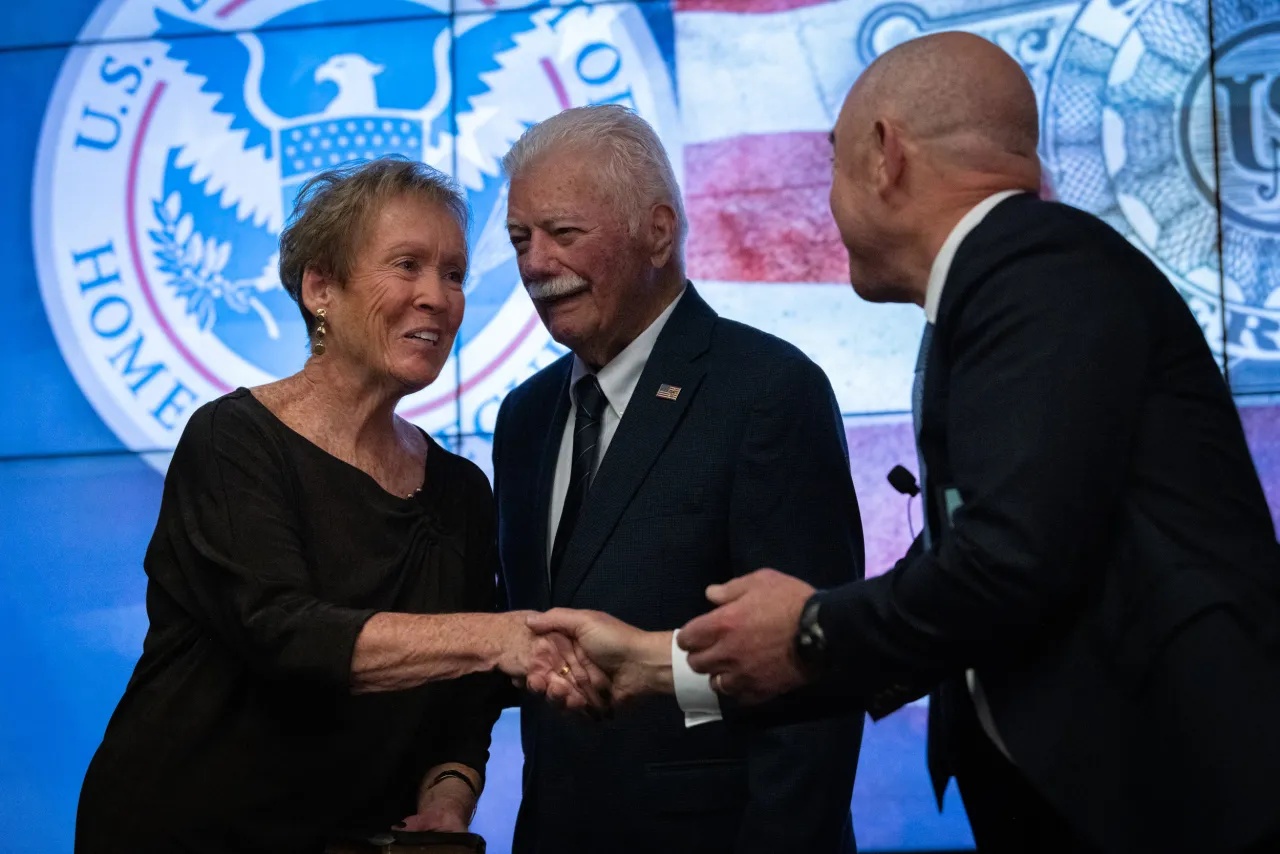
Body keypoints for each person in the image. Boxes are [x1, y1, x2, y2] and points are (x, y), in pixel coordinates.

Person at [661, 31, 1280, 854]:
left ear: (885, 156)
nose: (829, 206)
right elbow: (970, 565)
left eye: (833, 168)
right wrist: (658, 668)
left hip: (1168, 798)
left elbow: (1007, 563)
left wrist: (811, 625)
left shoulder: (1034, 269)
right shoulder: (1011, 282)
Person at [75, 158, 581, 854]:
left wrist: (449, 794)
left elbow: (465, 696)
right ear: (320, 288)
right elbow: (287, 634)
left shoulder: (462, 489)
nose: (437, 296)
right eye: (407, 265)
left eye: (455, 273)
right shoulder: (233, 439)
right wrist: (504, 637)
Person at [492, 105, 865, 854]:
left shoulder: (767, 391)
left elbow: (814, 683)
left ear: (658, 232)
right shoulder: (523, 417)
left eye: (563, 234)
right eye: (519, 240)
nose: (535, 264)